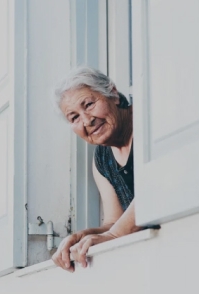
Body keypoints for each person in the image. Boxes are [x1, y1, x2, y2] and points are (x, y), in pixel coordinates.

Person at [52, 66, 142, 272]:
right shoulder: (102, 159)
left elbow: (159, 183)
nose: (87, 120)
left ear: (113, 94)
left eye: (89, 104)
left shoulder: (149, 122)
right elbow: (114, 222)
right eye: (74, 117)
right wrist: (78, 238)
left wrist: (114, 235)